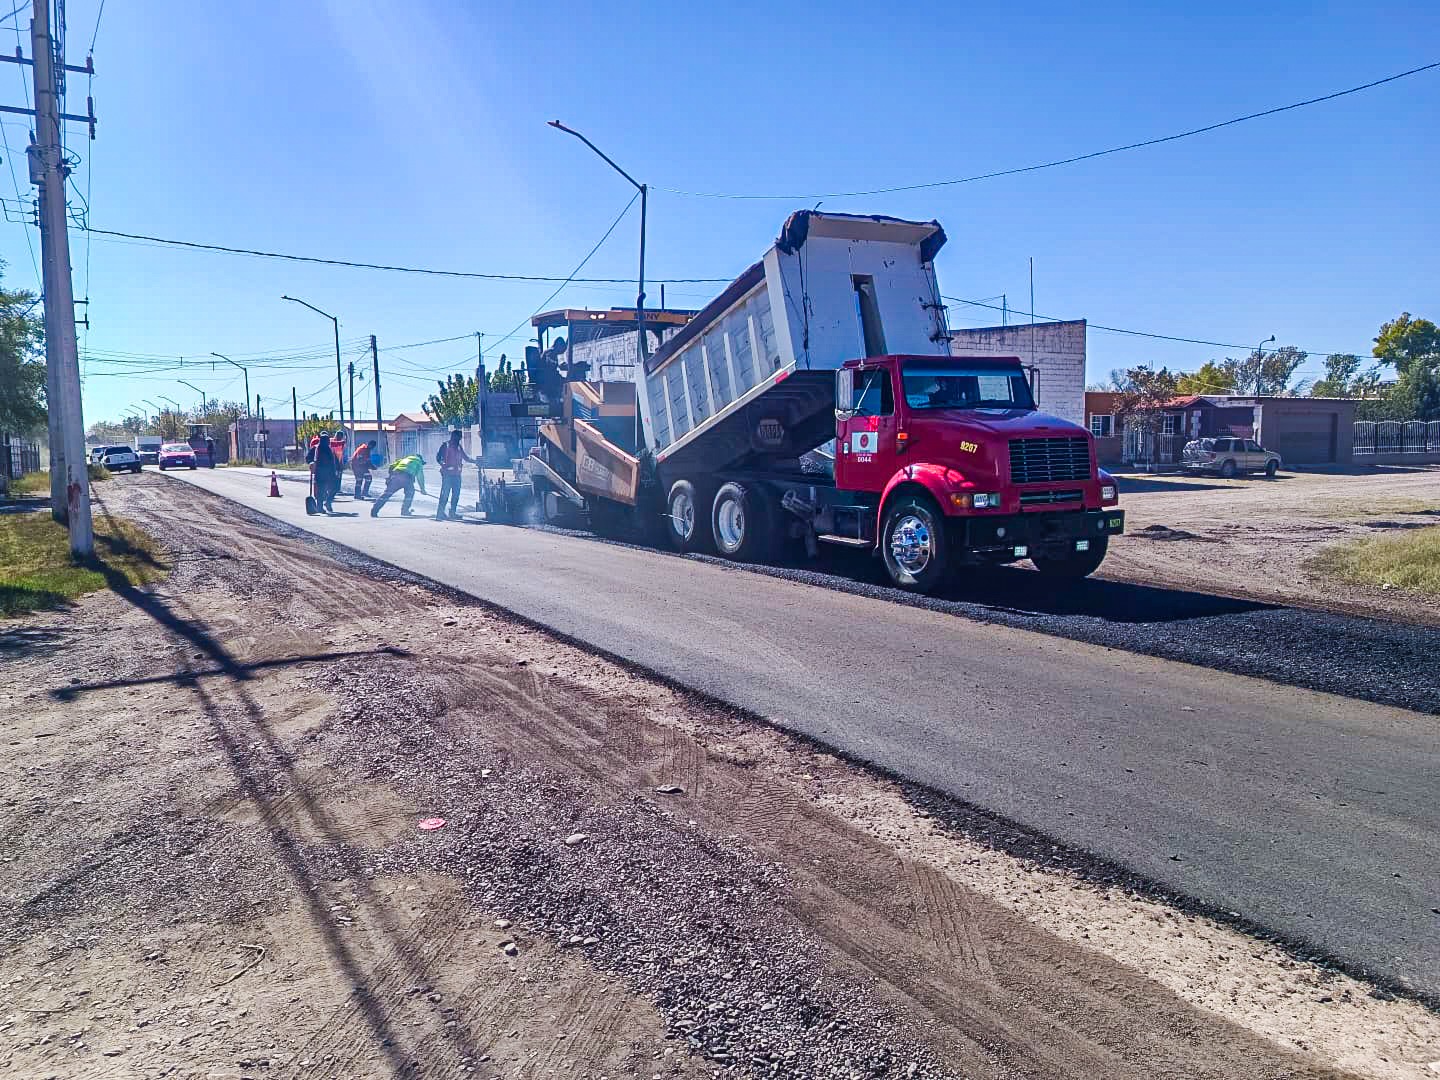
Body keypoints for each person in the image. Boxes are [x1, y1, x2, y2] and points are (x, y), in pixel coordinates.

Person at [434, 429, 475, 521]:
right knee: (445, 494)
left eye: (460, 438)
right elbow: (438, 458)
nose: (459, 439)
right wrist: (442, 464)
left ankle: (452, 513)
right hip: (447, 475)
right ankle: (440, 514)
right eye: (458, 437)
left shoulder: (459, 447)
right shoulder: (445, 445)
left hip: (457, 475)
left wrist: (475, 461)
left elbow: (466, 458)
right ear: (453, 437)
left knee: (456, 495)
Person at [308, 432, 340, 513]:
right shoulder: (316, 448)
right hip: (322, 472)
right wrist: (311, 462)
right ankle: (321, 506)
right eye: (326, 440)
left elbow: (334, 461)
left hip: (327, 473)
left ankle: (326, 503)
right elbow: (308, 458)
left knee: (332, 488)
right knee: (323, 490)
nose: (327, 442)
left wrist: (338, 468)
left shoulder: (328, 449)